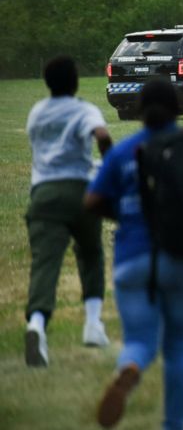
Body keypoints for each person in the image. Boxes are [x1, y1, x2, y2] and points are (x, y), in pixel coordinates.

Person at [85, 79, 183, 429]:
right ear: (179, 107)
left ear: (140, 110)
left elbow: (92, 201)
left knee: (141, 341)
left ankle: (129, 368)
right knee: (178, 347)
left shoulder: (122, 152)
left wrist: (126, 216)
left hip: (133, 258)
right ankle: (174, 425)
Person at [23, 55, 113, 367]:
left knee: (45, 263)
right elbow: (101, 135)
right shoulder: (84, 109)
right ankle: (92, 323)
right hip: (81, 190)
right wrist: (109, 168)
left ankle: (36, 324)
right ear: (74, 81)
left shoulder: (37, 113)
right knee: (90, 253)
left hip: (44, 193)